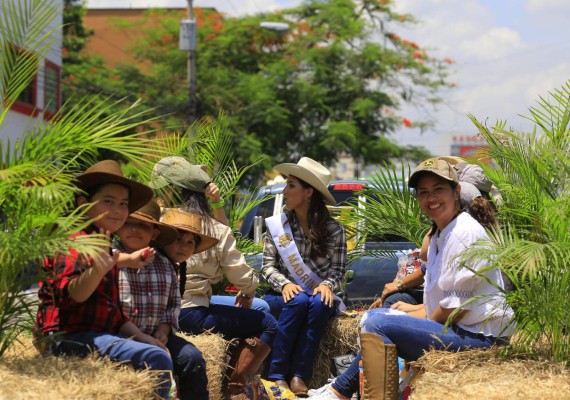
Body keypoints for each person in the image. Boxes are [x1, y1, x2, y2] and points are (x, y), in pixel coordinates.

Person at [309, 157, 513, 400]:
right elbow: (441, 302)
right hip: (464, 330)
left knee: (377, 324)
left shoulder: (463, 234)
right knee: (375, 318)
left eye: (439, 190)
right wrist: (408, 314)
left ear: (456, 192)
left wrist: (406, 318)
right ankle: (343, 390)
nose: (431, 198)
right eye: (423, 192)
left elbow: (453, 312)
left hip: (481, 339)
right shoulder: (442, 232)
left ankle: (341, 392)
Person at [34, 160, 174, 399]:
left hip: (92, 335)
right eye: (108, 202)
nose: (118, 211)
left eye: (123, 204)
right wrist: (97, 270)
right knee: (156, 358)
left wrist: (142, 337)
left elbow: (112, 312)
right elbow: (71, 295)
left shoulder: (102, 242)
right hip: (64, 339)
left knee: (155, 349)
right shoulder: (74, 240)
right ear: (82, 204)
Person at [149, 156, 278, 398]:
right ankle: (234, 386)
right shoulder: (214, 229)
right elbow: (241, 276)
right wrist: (249, 290)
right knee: (268, 322)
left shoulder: (157, 221)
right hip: (191, 313)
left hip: (160, 313)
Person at [261, 157, 347, 397]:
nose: (285, 191)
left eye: (290, 185)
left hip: (317, 296)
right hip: (284, 295)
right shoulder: (278, 226)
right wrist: (285, 283)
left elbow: (338, 272)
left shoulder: (334, 231)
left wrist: (328, 286)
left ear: (308, 192)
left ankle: (300, 375)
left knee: (319, 303)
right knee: (298, 300)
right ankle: (277, 375)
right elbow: (267, 267)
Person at [114, 199, 211, 400]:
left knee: (192, 358)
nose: (134, 230)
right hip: (119, 336)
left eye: (143, 225)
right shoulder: (110, 258)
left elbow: (173, 305)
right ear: (118, 226)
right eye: (129, 223)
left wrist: (163, 330)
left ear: (154, 233)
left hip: (155, 335)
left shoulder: (164, 265)